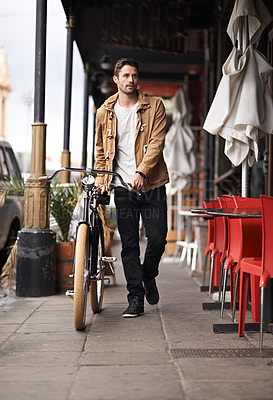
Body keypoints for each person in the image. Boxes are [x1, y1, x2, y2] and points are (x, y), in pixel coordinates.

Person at [95, 57, 169, 318]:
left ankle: (148, 275)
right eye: (125, 75)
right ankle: (135, 298)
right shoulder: (104, 112)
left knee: (158, 239)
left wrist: (141, 172)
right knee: (128, 245)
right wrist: (102, 180)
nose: (130, 80)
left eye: (134, 75)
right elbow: (102, 151)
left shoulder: (155, 106)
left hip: (152, 184)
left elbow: (157, 143)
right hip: (123, 187)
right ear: (116, 80)